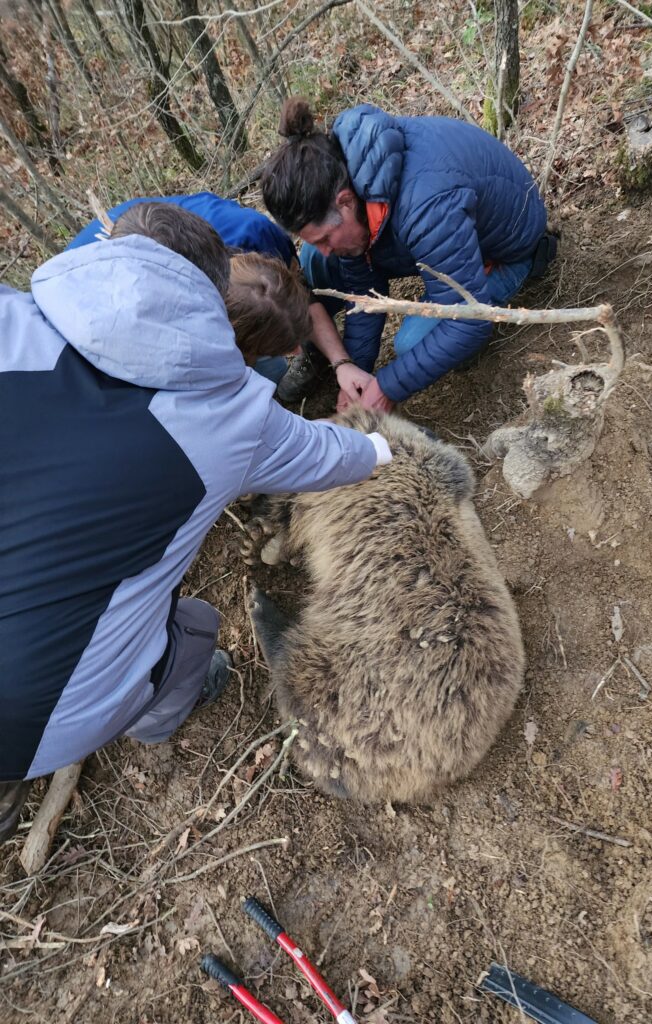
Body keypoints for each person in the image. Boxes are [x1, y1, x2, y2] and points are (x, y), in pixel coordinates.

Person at [0, 202, 392, 842]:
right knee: (195, 630)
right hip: (38, 712)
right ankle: (152, 712)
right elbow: (339, 457)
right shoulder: (233, 420)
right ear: (214, 283)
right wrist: (385, 441)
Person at [261, 99, 553, 411]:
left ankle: (525, 269)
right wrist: (353, 368)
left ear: (345, 202)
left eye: (324, 238)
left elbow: (468, 320)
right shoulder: (347, 175)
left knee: (411, 343)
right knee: (315, 261)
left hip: (506, 250)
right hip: (451, 233)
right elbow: (364, 288)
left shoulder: (427, 207)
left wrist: (387, 388)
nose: (325, 248)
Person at [67, 191, 374, 405]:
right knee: (268, 375)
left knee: (271, 369)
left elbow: (301, 297)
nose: (295, 350)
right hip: (96, 310)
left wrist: (341, 362)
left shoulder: (254, 233)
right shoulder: (155, 326)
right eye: (280, 346)